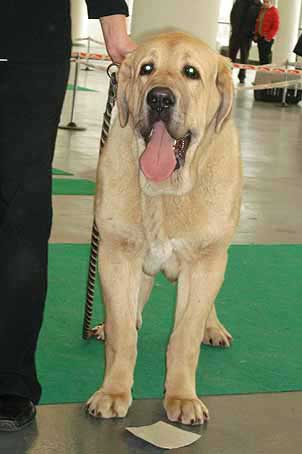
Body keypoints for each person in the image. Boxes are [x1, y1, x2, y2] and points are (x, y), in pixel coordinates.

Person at [0, 0, 136, 432]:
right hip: (30, 42)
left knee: (21, 209)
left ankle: (10, 379)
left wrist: (114, 26)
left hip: (26, 43)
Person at [229, 0, 262, 84]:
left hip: (247, 36)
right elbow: (233, 15)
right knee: (231, 56)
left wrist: (253, 33)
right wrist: (234, 29)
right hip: (236, 34)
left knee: (244, 57)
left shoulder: (258, 5)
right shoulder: (239, 1)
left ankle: (242, 76)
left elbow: (258, 20)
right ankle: (228, 74)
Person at [254, 0, 280, 65]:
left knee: (266, 57)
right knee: (261, 56)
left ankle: (266, 72)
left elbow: (275, 26)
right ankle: (261, 71)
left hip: (267, 38)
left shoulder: (274, 11)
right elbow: (258, 23)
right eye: (264, 2)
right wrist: (256, 34)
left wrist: (268, 37)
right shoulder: (261, 10)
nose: (265, 3)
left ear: (271, 2)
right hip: (260, 36)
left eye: (267, 2)